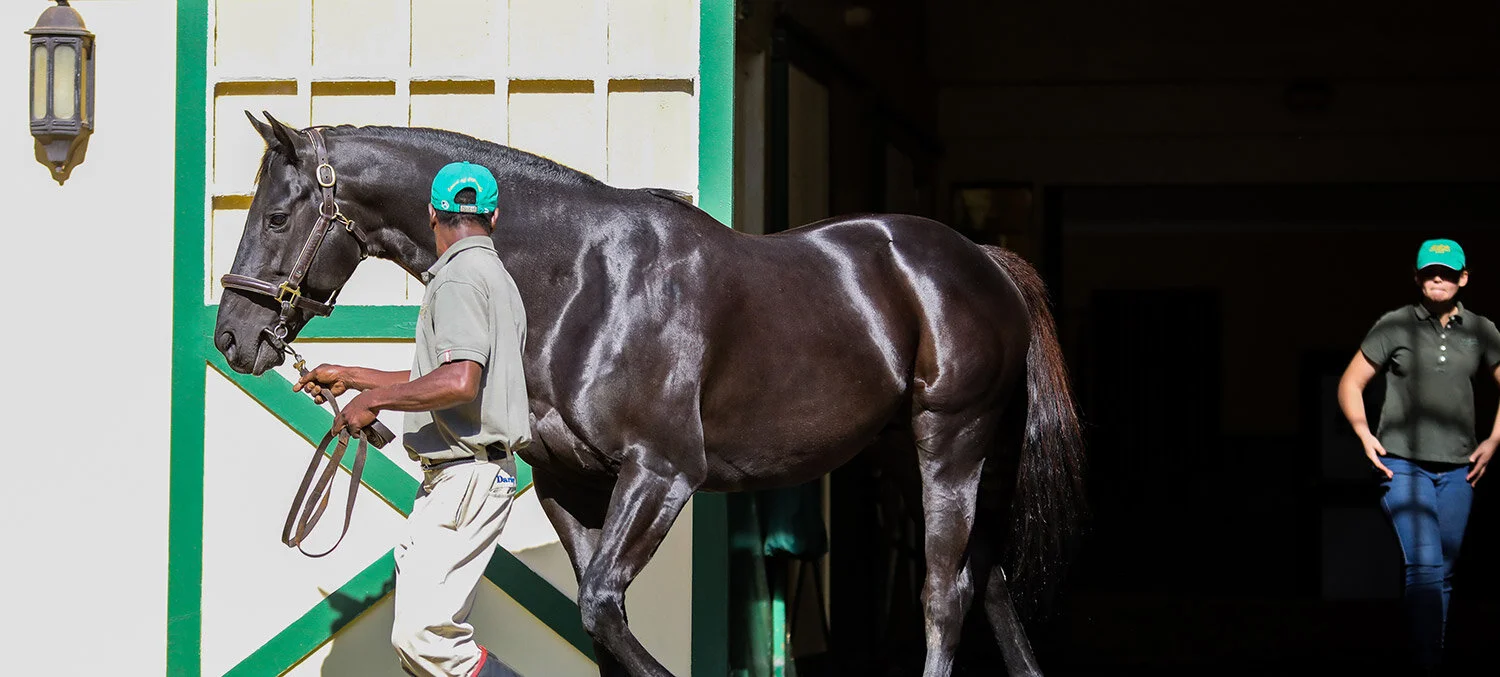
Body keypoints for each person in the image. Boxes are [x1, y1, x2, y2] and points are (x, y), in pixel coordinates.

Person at [295, 161, 529, 677]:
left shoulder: (459, 280)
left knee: (424, 638)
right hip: (473, 473)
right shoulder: (494, 277)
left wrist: (373, 403)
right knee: (422, 643)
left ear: (431, 214)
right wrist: (355, 376)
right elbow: (443, 372)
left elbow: (460, 381)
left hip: (464, 476)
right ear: (494, 215)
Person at [1337, 238, 1500, 675]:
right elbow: (1350, 382)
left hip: (1458, 470)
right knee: (1425, 565)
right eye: (1430, 272)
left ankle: (1430, 658)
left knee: (1442, 573)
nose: (1439, 279)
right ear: (1417, 277)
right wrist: (1362, 432)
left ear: (1463, 278)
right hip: (1402, 464)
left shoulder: (1482, 330)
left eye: (1447, 272)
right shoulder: (1395, 325)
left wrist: (1496, 438)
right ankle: (1425, 665)